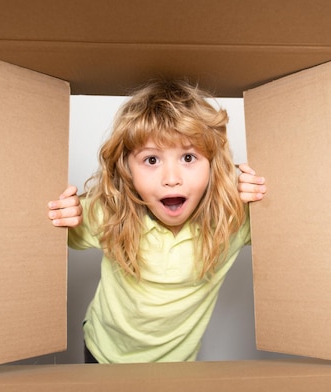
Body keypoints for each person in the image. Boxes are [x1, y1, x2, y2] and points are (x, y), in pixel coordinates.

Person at [47, 79, 267, 364]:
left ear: (213, 164)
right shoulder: (110, 211)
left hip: (176, 365)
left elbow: (293, 218)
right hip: (103, 351)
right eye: (152, 160)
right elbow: (61, 230)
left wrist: (262, 191)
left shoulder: (232, 219)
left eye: (188, 157)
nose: (171, 178)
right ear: (127, 169)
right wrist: (66, 213)